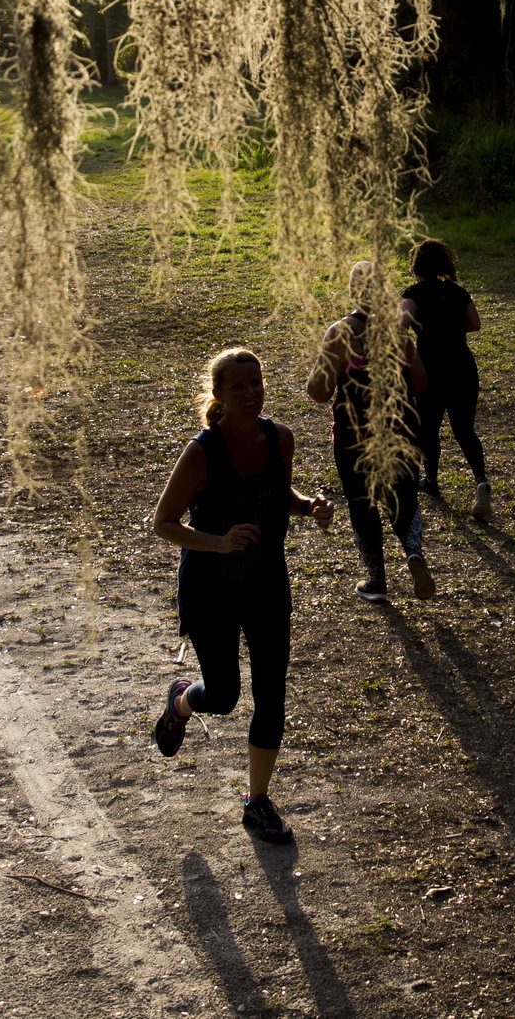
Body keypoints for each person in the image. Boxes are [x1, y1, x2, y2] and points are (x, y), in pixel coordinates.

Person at [149, 349, 333, 846]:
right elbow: (163, 523)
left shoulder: (281, 438)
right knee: (226, 695)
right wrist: (217, 541)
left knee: (272, 696)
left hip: (268, 583)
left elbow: (280, 494)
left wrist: (308, 506)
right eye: (238, 387)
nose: (251, 394)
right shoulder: (202, 452)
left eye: (256, 383)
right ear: (219, 395)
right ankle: (182, 701)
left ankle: (257, 802)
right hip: (212, 588)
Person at [308, 261, 432, 603]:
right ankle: (412, 551)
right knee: (404, 497)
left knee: (361, 503)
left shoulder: (340, 333)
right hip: (401, 432)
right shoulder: (399, 333)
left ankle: (376, 580)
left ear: (352, 293)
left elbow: (319, 391)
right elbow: (420, 383)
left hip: (353, 436)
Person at [400, 238, 491, 524]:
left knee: (428, 428)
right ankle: (480, 480)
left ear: (415, 268)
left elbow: (399, 326)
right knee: (465, 430)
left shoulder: (412, 294)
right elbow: (474, 324)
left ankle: (432, 481)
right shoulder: (457, 292)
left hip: (430, 370)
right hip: (463, 367)